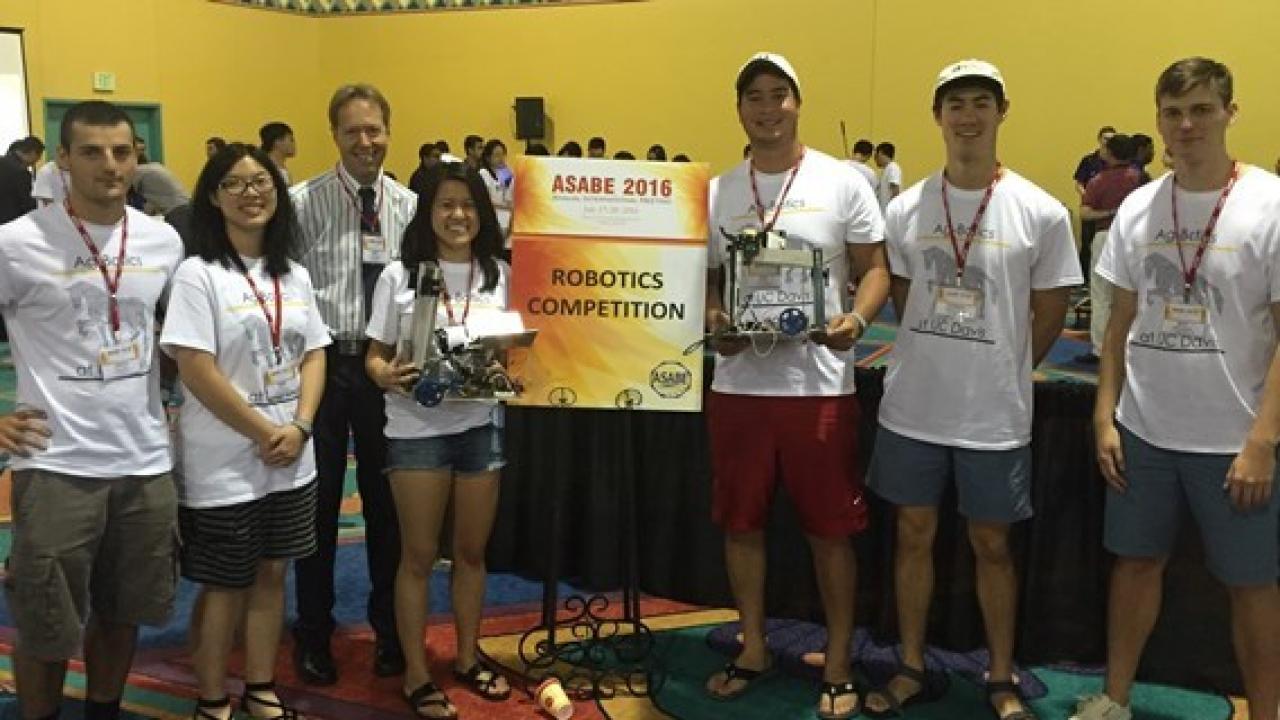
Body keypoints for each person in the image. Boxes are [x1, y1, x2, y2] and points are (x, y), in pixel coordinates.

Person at [864, 59, 1080, 720]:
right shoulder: (905, 208)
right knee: (913, 536)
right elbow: (902, 296)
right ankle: (909, 662)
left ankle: (1001, 675)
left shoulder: (1040, 211)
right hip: (914, 406)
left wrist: (1006, 368)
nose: (967, 115)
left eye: (980, 102)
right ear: (937, 116)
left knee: (992, 544)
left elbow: (1051, 307)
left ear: (1001, 111)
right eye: (954, 103)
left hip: (993, 412)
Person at [1075, 56, 1280, 720]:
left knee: (1253, 585)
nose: (1186, 124)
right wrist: (1106, 415)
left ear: (1229, 112)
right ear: (1158, 118)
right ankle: (1114, 698)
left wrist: (1262, 440)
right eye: (1172, 112)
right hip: (1146, 432)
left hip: (1234, 438)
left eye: (1201, 109)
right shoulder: (1138, 206)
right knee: (1134, 567)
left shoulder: (1270, 204)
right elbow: (1117, 326)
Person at [703, 52, 889, 720]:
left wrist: (858, 318)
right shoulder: (720, 189)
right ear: (740, 108)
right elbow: (712, 282)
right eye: (753, 96)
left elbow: (875, 269)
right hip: (740, 387)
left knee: (829, 529)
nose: (766, 107)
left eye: (778, 95)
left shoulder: (844, 181)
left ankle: (838, 659)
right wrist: (717, 319)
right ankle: (752, 646)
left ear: (798, 102)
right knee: (742, 524)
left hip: (819, 385)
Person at [0, 99, 183, 720]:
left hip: (144, 462)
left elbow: (178, 337)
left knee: (124, 609)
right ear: (63, 159)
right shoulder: (16, 242)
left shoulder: (163, 240)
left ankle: (104, 711)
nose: (109, 165)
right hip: (56, 464)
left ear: (137, 158)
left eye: (122, 152)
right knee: (47, 624)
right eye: (92, 152)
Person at [161, 143, 329, 720]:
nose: (251, 192)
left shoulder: (295, 273)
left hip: (292, 455)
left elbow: (314, 353)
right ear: (213, 196)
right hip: (225, 458)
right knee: (224, 584)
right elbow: (195, 368)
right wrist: (264, 430)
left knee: (272, 573)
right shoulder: (197, 274)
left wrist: (301, 425)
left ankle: (260, 688)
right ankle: (211, 699)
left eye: (262, 182)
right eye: (234, 183)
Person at [366, 162, 514, 719]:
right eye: (447, 205)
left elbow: (511, 349)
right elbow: (374, 354)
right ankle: (417, 674)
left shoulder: (498, 273)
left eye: (469, 205)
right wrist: (382, 374)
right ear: (427, 214)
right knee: (420, 557)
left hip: (480, 428)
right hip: (416, 431)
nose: (459, 215)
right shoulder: (399, 275)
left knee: (472, 555)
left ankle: (470, 658)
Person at [289, 83, 418, 684]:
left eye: (374, 130)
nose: (365, 142)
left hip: (385, 373)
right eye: (352, 132)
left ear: (389, 130)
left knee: (387, 507)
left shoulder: (412, 207)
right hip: (322, 368)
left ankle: (391, 631)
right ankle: (313, 633)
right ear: (334, 136)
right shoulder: (301, 203)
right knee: (315, 509)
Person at [1077, 134, 1143, 364]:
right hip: (1137, 240)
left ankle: (1099, 350)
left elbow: (1084, 213)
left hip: (1105, 236)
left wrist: (1109, 213)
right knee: (1133, 295)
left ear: (1110, 154)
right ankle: (1130, 347)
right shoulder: (1141, 179)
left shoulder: (1098, 181)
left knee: (1101, 295)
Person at [1074, 126, 1118, 272]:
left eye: (1112, 139)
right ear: (1099, 139)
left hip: (1109, 211)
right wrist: (1088, 196)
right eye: (1106, 138)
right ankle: (1085, 278)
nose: (1108, 142)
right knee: (1087, 243)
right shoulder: (1089, 161)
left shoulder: (1115, 162)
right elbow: (1079, 183)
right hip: (1091, 209)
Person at [0, 136, 43, 224]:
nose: (36, 162)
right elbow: (28, 205)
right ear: (33, 153)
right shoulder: (22, 173)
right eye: (39, 157)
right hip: (11, 224)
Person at [478, 139, 512, 241]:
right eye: (497, 155)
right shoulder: (483, 173)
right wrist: (506, 206)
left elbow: (510, 195)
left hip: (507, 215)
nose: (501, 159)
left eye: (503, 155)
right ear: (488, 158)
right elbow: (485, 200)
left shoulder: (505, 172)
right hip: (493, 216)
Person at [874, 141, 902, 210]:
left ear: (880, 153)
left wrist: (892, 210)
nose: (875, 160)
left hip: (889, 213)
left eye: (876, 156)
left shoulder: (893, 167)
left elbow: (895, 190)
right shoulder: (887, 169)